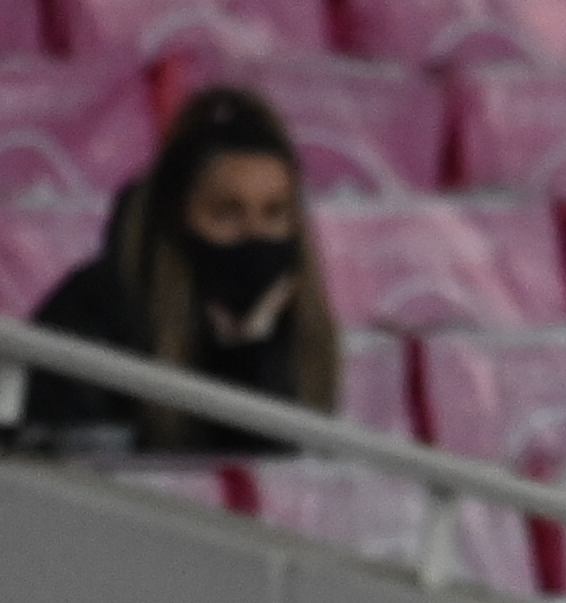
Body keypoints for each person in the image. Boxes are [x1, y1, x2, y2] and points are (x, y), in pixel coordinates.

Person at [21, 86, 341, 454]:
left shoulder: (298, 324)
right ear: (175, 215)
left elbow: (282, 487)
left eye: (274, 214)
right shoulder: (98, 310)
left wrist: (249, 357)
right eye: (227, 213)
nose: (255, 236)